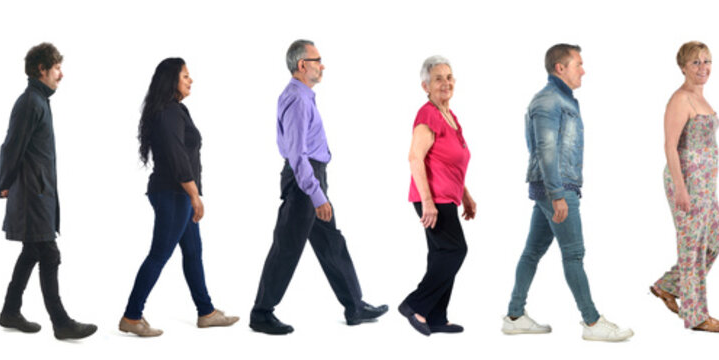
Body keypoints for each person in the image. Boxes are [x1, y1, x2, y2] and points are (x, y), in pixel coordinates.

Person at [249, 39, 388, 335]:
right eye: (317, 60)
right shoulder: (298, 99)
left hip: (311, 178)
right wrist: (315, 193)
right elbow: (297, 154)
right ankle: (261, 313)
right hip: (305, 182)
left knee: (330, 241)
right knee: (287, 246)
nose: (322, 65)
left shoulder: (302, 96)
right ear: (302, 65)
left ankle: (355, 305)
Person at [501, 43, 634, 342]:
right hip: (557, 188)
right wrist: (557, 194)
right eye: (578, 64)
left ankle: (514, 315)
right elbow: (545, 149)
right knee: (574, 254)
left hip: (554, 187)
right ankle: (591, 321)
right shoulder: (549, 101)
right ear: (560, 68)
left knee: (532, 252)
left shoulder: (563, 99)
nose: (583, 70)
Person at [119, 57, 239, 337]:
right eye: (185, 75)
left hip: (177, 193)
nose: (191, 80)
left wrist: (192, 195)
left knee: (193, 253)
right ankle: (131, 316)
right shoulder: (170, 112)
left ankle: (206, 312)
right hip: (174, 194)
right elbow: (177, 157)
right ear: (171, 80)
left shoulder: (174, 110)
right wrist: (195, 196)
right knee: (159, 254)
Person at [0, 42, 97, 340]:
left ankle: (10, 311)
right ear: (41, 69)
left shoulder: (40, 101)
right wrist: (4, 181)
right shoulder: (30, 102)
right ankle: (61, 322)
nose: (60, 75)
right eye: (56, 68)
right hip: (33, 194)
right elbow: (12, 145)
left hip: (39, 191)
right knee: (49, 254)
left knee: (32, 252)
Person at [647, 41, 719, 333]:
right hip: (687, 182)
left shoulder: (702, 99)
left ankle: (666, 286)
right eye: (695, 63)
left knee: (713, 243)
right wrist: (681, 188)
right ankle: (696, 316)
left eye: (707, 61)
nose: (702, 68)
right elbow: (670, 146)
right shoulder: (680, 99)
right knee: (692, 248)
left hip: (706, 185)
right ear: (682, 67)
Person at [399, 55, 473, 336]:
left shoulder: (450, 116)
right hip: (433, 199)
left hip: (448, 197)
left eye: (449, 77)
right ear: (425, 86)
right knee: (455, 250)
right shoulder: (428, 114)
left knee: (440, 254)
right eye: (438, 78)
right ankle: (414, 304)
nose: (446, 83)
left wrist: (465, 195)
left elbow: (451, 161)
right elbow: (415, 158)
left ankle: (436, 316)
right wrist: (427, 201)